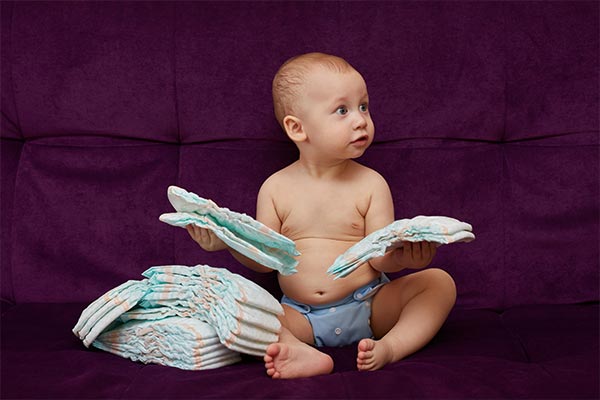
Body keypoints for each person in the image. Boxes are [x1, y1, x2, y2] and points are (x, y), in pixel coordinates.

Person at [186, 52, 457, 379]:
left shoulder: (371, 184)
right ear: (297, 128)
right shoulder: (276, 188)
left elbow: (379, 258)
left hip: (370, 306)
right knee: (239, 308)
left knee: (439, 284)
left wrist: (405, 258)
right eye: (342, 110)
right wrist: (226, 243)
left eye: (364, 107)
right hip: (299, 316)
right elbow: (265, 259)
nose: (360, 120)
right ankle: (299, 351)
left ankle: (392, 346)